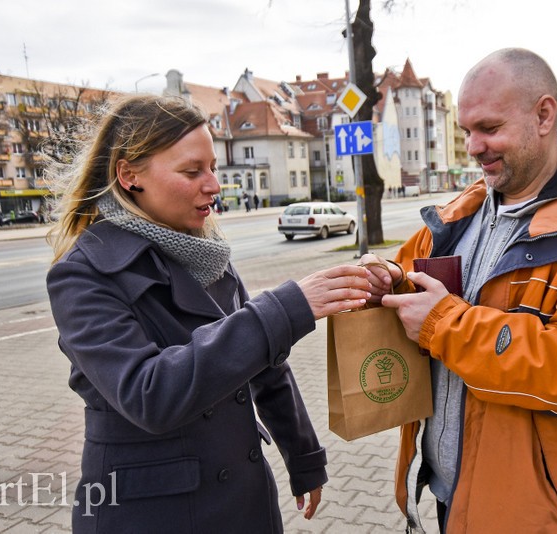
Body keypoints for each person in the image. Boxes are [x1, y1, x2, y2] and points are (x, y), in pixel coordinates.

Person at [45, 94, 371, 533]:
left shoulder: (205, 253)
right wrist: (284, 308)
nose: (214, 184)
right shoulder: (83, 273)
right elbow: (150, 394)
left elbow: (267, 367)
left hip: (242, 498)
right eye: (192, 171)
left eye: (213, 167)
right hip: (151, 512)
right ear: (129, 175)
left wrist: (303, 455)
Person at [361, 48, 557, 533]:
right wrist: (386, 280)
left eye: (489, 128)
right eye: (466, 131)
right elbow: (408, 273)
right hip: (452, 495)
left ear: (544, 115)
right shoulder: (462, 213)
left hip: (535, 516)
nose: (474, 147)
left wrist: (443, 324)